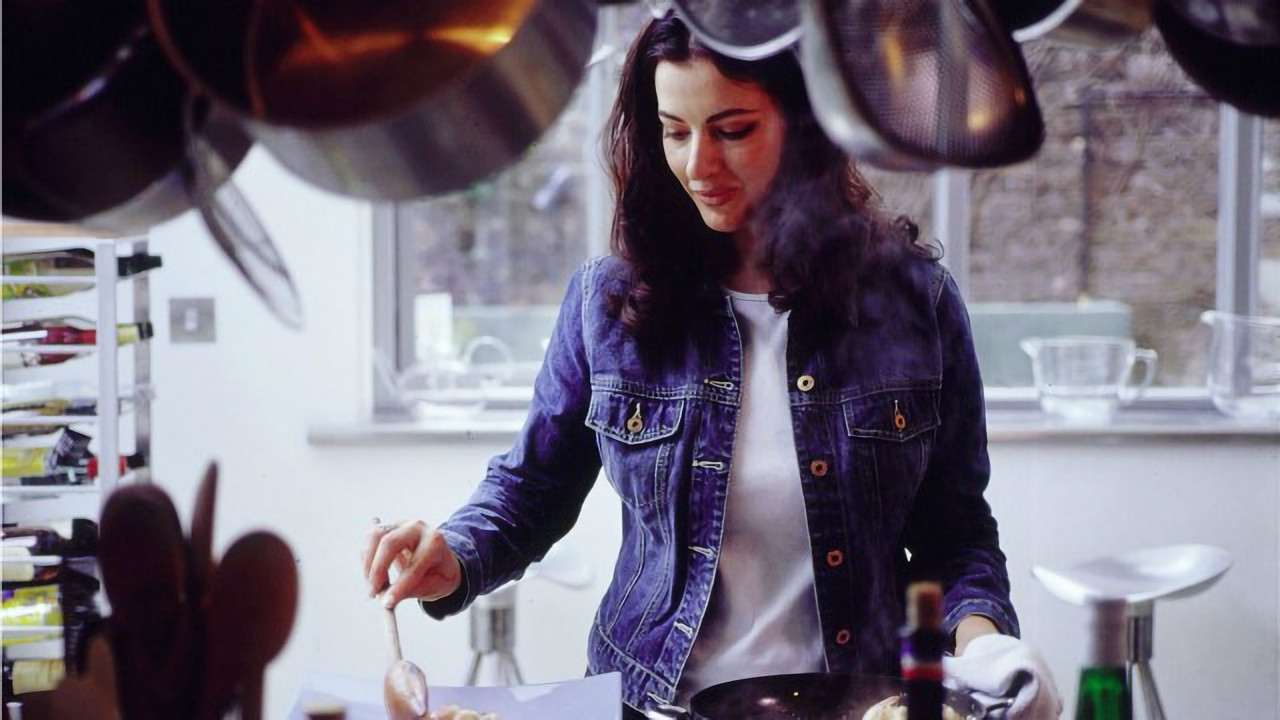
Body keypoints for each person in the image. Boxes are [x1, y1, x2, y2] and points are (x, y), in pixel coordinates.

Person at [363, 12, 1037, 716]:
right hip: (654, 702)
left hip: (861, 703)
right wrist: (455, 554)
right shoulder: (607, 303)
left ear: (806, 122)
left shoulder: (913, 302)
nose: (697, 165)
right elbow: (533, 488)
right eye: (674, 130)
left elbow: (955, 532)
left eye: (732, 130)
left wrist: (986, 652)